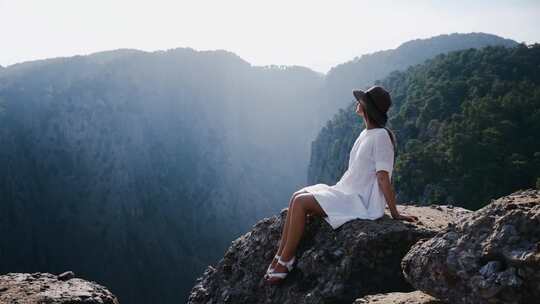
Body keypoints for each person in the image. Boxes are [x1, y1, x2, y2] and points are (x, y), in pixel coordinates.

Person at [264, 85, 419, 285]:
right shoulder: (366, 133)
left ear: (367, 107)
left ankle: (286, 260)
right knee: (296, 196)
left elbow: (383, 177)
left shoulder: (381, 136)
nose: (357, 102)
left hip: (358, 200)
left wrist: (395, 213)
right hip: (345, 190)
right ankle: (280, 255)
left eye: (361, 100)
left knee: (302, 203)